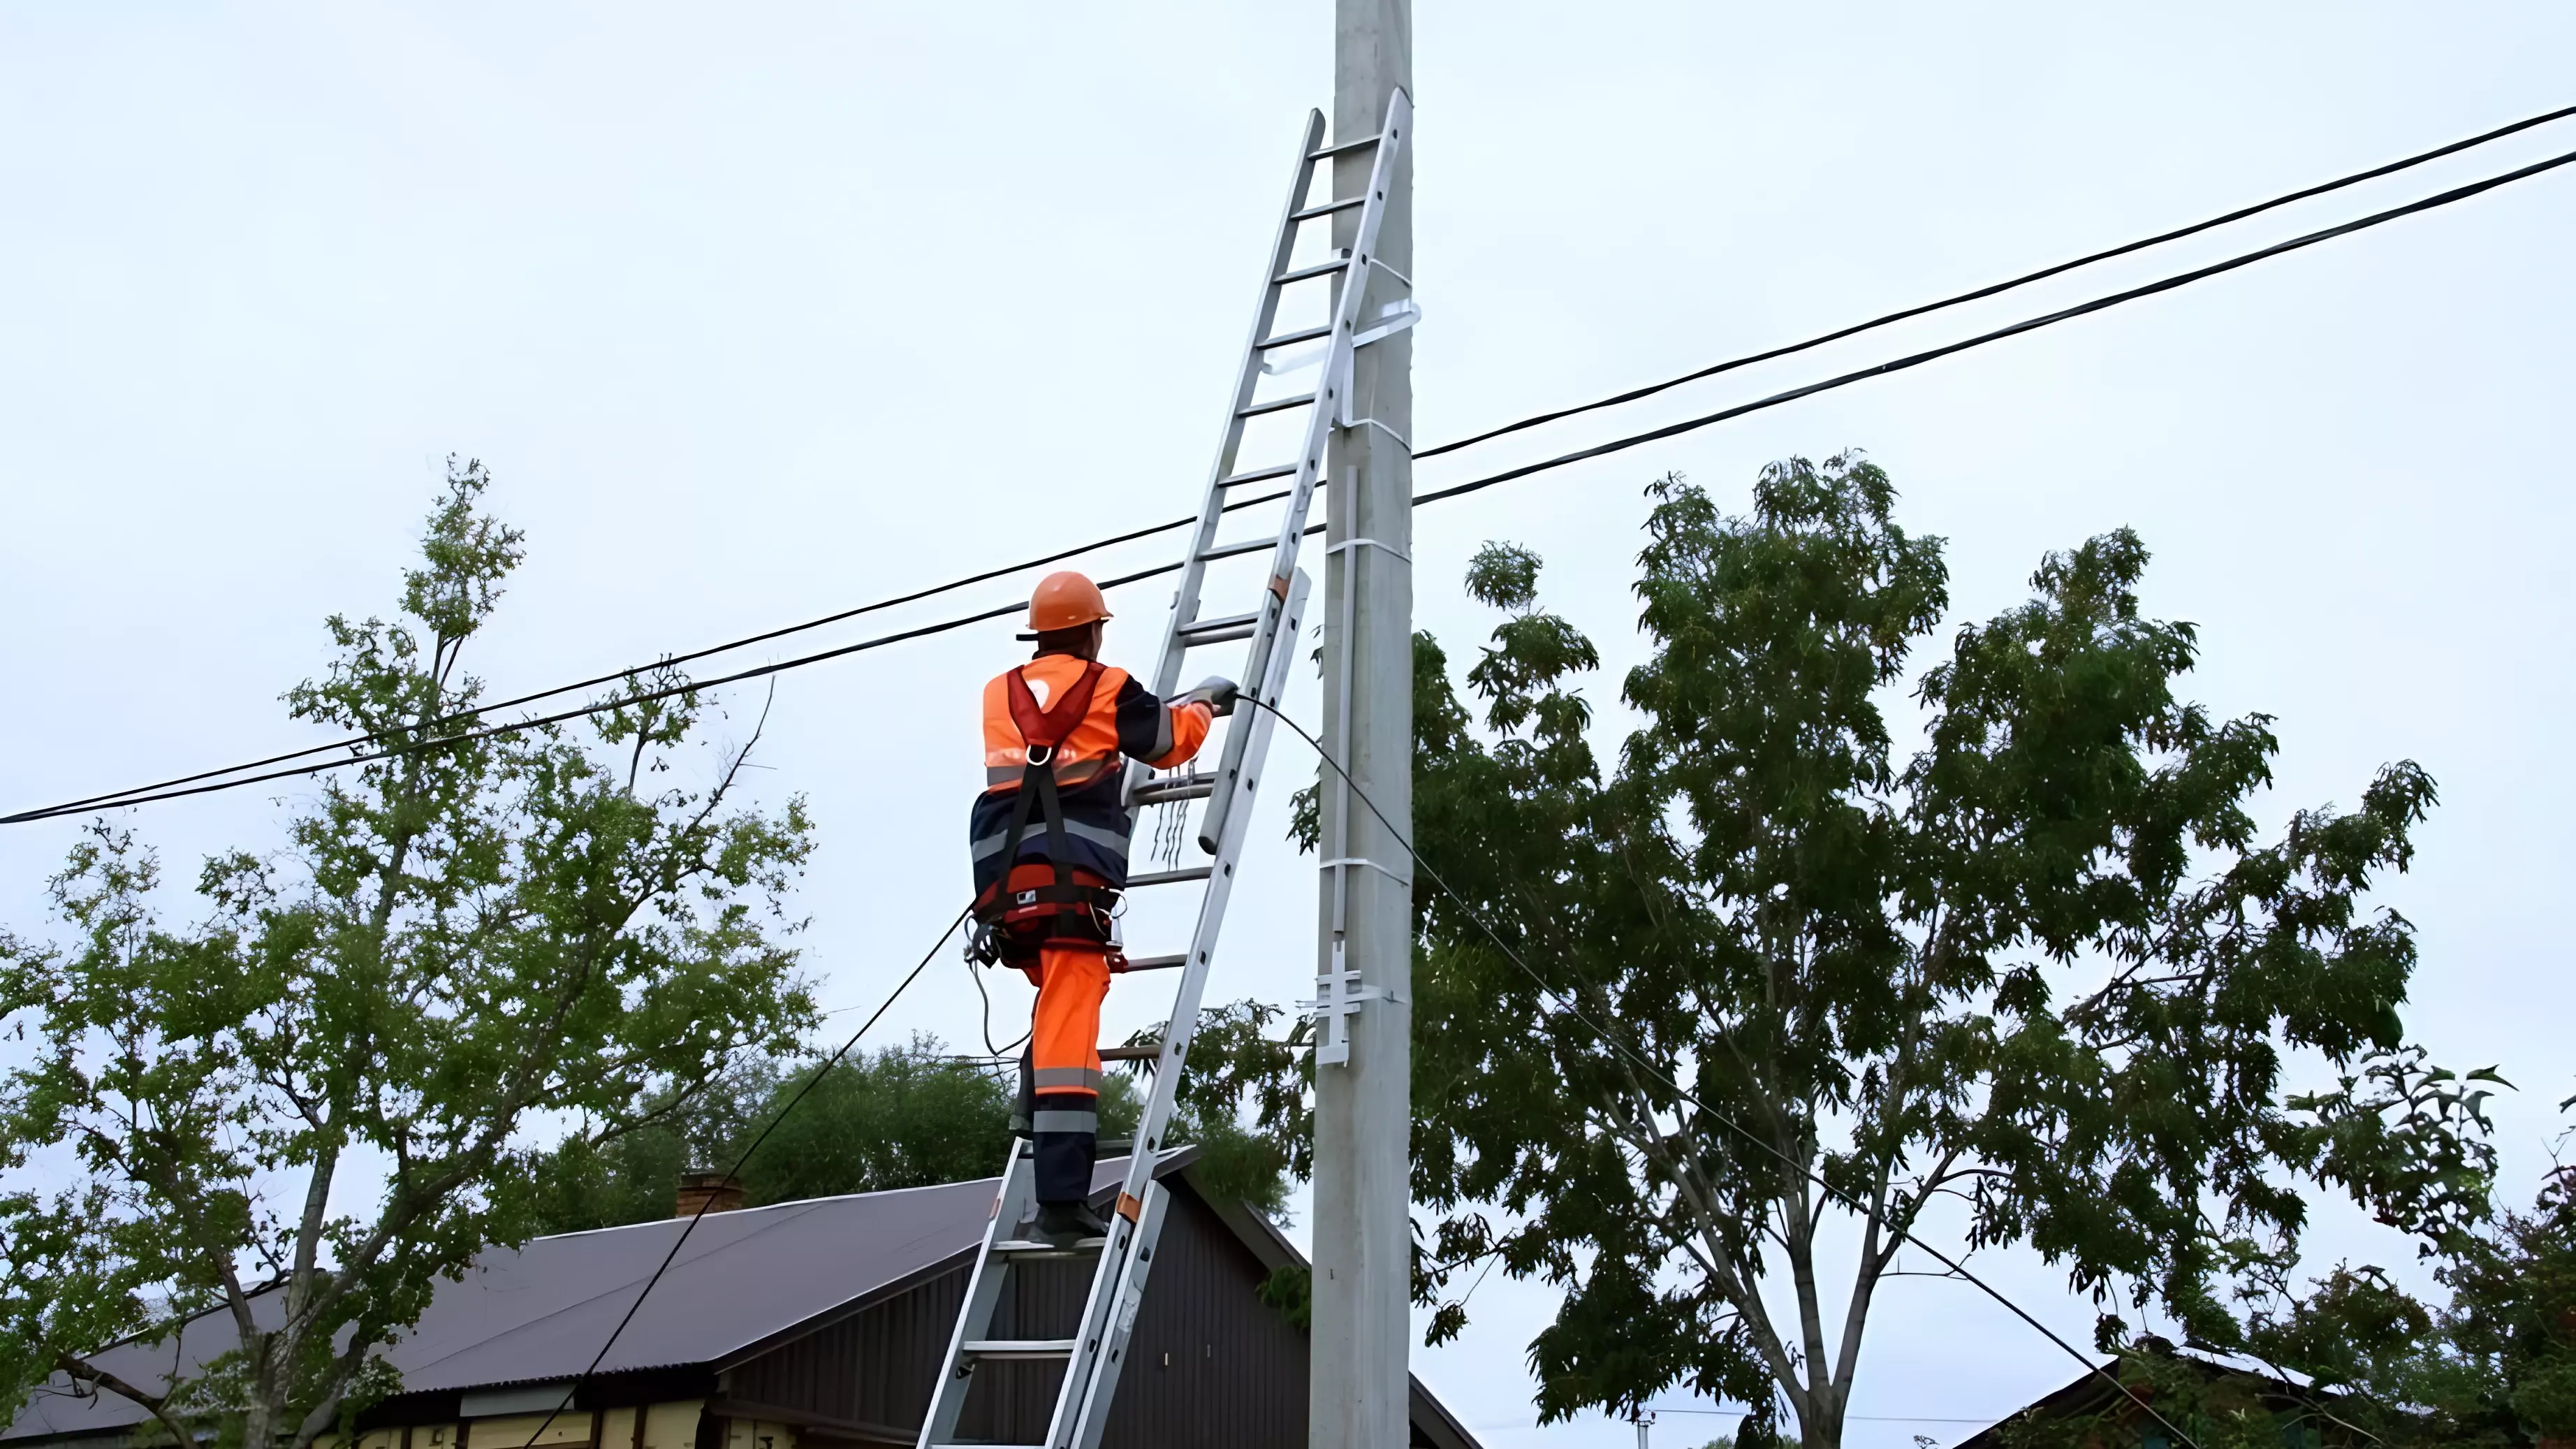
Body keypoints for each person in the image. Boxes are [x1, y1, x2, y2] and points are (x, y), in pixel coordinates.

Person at [968, 569, 1235, 1244]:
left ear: (1040, 633)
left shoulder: (997, 694)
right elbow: (1169, 741)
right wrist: (1203, 701)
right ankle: (1059, 1206)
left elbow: (1047, 755)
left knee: (1057, 1009)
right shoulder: (1108, 686)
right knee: (1069, 1041)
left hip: (1007, 888)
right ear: (1091, 630)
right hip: (1071, 884)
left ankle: (1031, 1122)